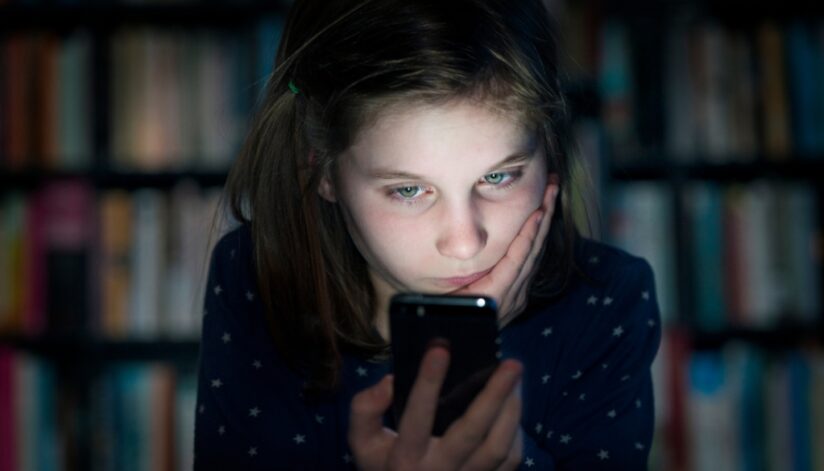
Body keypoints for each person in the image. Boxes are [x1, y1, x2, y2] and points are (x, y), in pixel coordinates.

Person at [194, 0, 662, 469]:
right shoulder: (255, 278)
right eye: (409, 189)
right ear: (324, 170)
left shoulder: (607, 297)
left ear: (549, 150)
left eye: (500, 178)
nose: (464, 243)